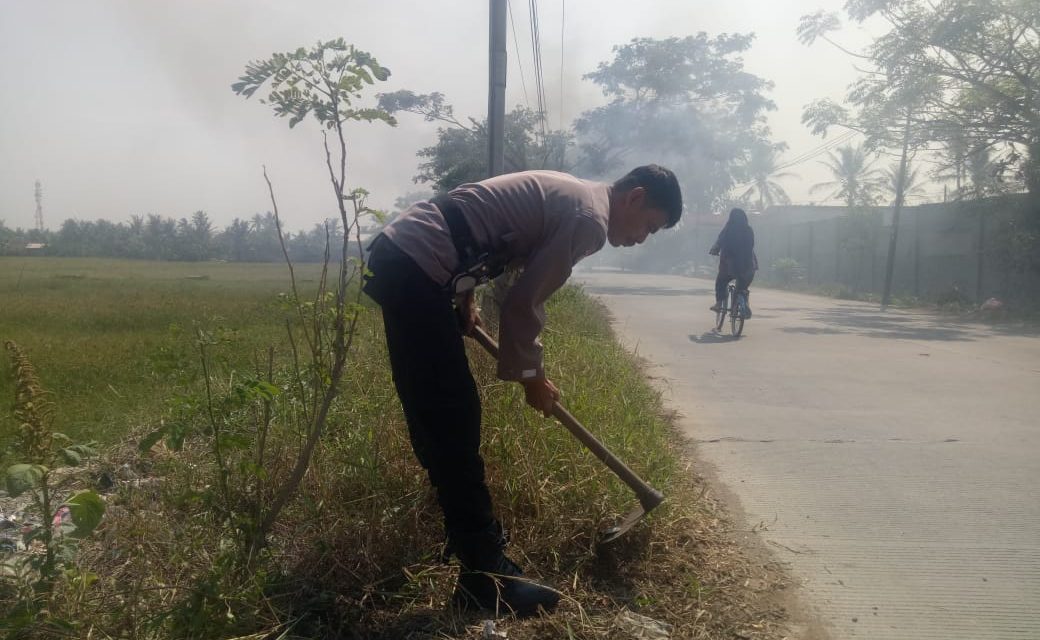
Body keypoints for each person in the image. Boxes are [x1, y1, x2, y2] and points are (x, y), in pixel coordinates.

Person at [362, 166, 683, 617]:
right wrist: (532, 378)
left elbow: (490, 239)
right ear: (635, 197)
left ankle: (471, 552)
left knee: (437, 413)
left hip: (406, 257)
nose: (642, 238)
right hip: (418, 265)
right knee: (452, 416)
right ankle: (487, 577)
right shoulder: (588, 219)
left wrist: (464, 297)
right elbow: (523, 302)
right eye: (649, 225)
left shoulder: (577, 195)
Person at [709, 207, 757, 317]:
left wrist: (714, 249)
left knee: (721, 281)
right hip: (749, 266)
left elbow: (719, 242)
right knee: (742, 287)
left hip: (731, 266)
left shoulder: (728, 229)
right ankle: (743, 304)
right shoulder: (749, 230)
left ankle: (718, 304)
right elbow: (752, 245)